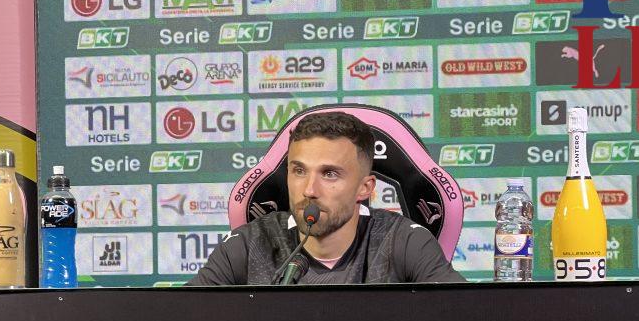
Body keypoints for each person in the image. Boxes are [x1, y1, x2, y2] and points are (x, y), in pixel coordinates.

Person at [188, 111, 465, 285]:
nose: (309, 190)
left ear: (365, 188)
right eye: (299, 171)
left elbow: (465, 317)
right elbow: (181, 320)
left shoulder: (404, 241)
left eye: (330, 174)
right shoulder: (248, 245)